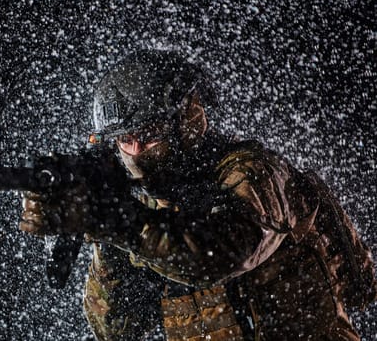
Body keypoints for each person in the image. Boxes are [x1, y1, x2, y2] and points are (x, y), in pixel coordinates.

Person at [19, 50, 376, 340]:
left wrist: (115, 220)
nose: (138, 152)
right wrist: (101, 230)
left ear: (188, 121)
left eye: (150, 134)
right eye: (126, 141)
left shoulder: (254, 171)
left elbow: (225, 252)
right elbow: (115, 329)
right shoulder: (141, 204)